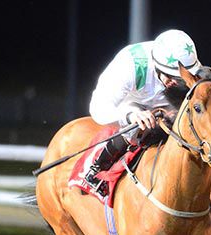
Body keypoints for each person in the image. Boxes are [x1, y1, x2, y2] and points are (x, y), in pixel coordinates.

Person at [85, 29, 202, 193]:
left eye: (180, 78)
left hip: (168, 105)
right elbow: (98, 107)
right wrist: (130, 116)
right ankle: (97, 168)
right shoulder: (129, 66)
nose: (175, 83)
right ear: (157, 65)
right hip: (131, 104)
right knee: (134, 130)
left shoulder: (191, 66)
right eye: (170, 76)